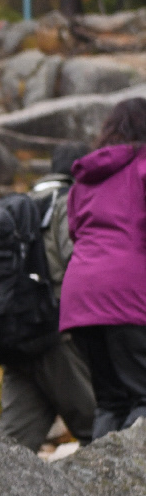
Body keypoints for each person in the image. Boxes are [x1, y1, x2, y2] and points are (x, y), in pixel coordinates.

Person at [0, 141, 96, 451]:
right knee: (103, 433)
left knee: (11, 446)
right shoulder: (68, 202)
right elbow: (76, 260)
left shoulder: (18, 205)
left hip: (15, 338)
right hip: (56, 337)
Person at [59, 96, 146, 437]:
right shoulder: (141, 167)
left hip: (80, 300)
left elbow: (75, 232)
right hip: (128, 295)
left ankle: (99, 485)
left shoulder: (84, 179)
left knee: (110, 402)